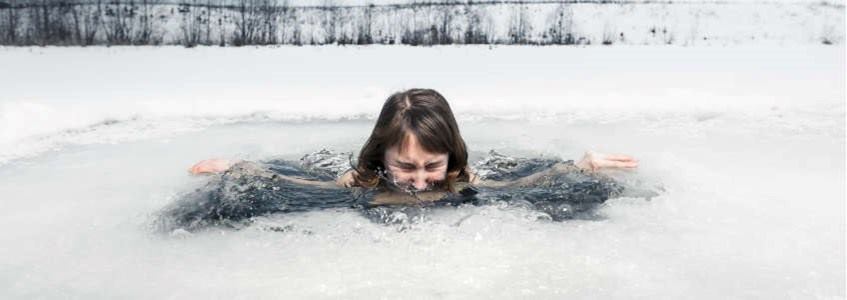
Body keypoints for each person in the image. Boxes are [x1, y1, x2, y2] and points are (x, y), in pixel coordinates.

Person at [162, 89, 642, 231]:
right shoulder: (364, 179)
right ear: (382, 155)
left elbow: (518, 187)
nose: (418, 181)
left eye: (430, 166)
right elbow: (306, 189)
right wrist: (240, 169)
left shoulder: (458, 179)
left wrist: (579, 167)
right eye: (406, 167)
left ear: (450, 156)